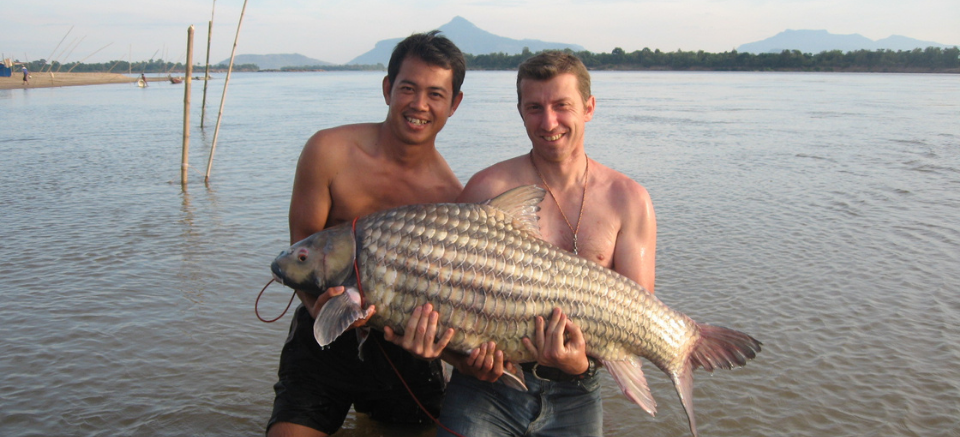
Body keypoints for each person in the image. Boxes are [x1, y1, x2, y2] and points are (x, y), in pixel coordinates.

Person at [389, 51, 657, 437]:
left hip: (577, 391)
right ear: (519, 111)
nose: (549, 123)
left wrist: (580, 364)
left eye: (562, 106)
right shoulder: (487, 189)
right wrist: (462, 361)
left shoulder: (629, 200)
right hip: (487, 389)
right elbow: (441, 298)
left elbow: (636, 320)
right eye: (534, 108)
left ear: (588, 108)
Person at [266, 30, 466, 437]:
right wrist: (322, 310)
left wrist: (439, 348)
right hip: (321, 334)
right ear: (387, 89)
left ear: (454, 104)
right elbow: (301, 257)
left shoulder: (450, 199)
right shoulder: (329, 152)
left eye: (435, 94)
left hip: (405, 350)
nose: (419, 105)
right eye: (408, 88)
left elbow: (454, 301)